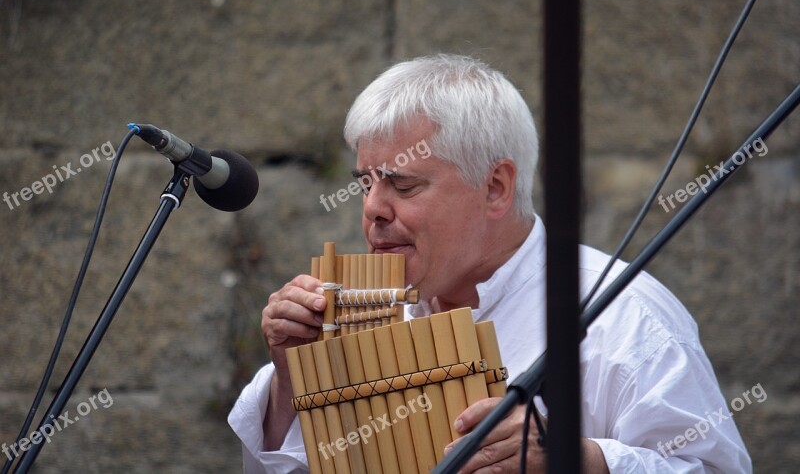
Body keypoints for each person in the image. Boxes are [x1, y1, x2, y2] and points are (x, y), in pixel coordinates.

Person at [229, 54, 751, 473]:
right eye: (366, 183)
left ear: (495, 188)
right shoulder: (351, 313)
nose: (373, 210)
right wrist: (290, 382)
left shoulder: (625, 316)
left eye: (403, 183)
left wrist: (581, 461)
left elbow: (711, 467)